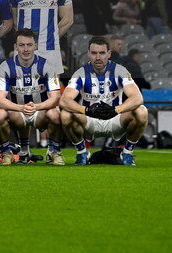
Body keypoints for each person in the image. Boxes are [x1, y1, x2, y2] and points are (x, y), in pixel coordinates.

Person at [60, 36, 149, 166]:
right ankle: (82, 152)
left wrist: (116, 110)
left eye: (102, 53)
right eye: (94, 53)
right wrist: (86, 110)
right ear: (88, 54)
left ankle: (127, 153)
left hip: (115, 119)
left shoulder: (120, 71)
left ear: (109, 53)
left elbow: (137, 98)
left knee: (142, 111)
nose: (98, 57)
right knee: (65, 114)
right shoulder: (80, 73)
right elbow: (64, 100)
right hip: (89, 120)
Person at [0, 28, 64, 165]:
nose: (25, 49)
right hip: (17, 112)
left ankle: (53, 152)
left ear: (35, 46)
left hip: (41, 111)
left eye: (29, 45)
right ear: (15, 47)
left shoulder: (47, 66)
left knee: (56, 114)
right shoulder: (6, 67)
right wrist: (21, 108)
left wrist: (37, 106)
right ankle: (8, 152)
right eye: (21, 45)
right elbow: (0, 99)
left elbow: (56, 97)